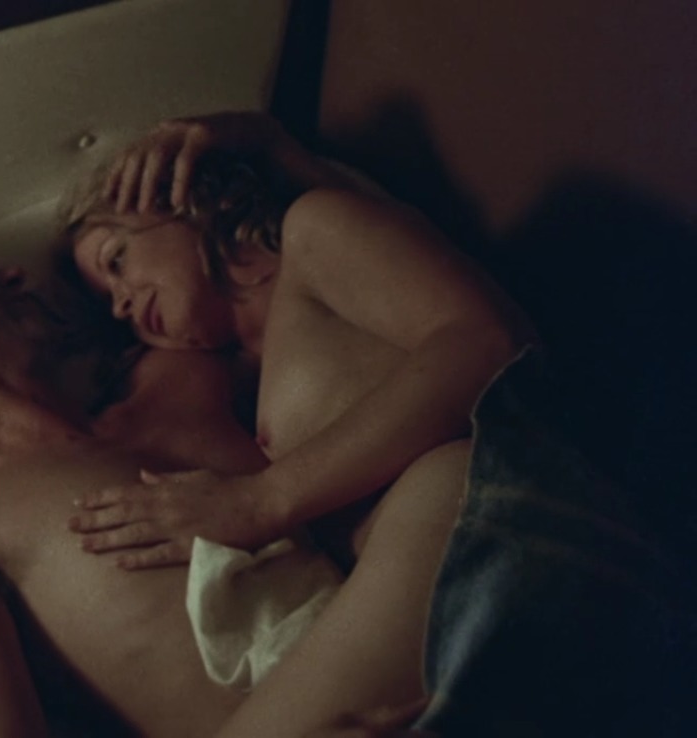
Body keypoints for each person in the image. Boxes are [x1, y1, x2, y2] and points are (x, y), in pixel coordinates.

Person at [0, 216, 457, 736]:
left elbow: (317, 286)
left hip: (421, 653)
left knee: (449, 480)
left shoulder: (177, 379)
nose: (13, 276)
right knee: (446, 485)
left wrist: (273, 150)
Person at [58, 111, 533, 734]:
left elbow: (488, 341)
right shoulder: (242, 374)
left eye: (117, 260)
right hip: (420, 586)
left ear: (184, 201)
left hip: (470, 501)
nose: (122, 303)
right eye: (108, 304)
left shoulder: (313, 230)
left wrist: (261, 499)